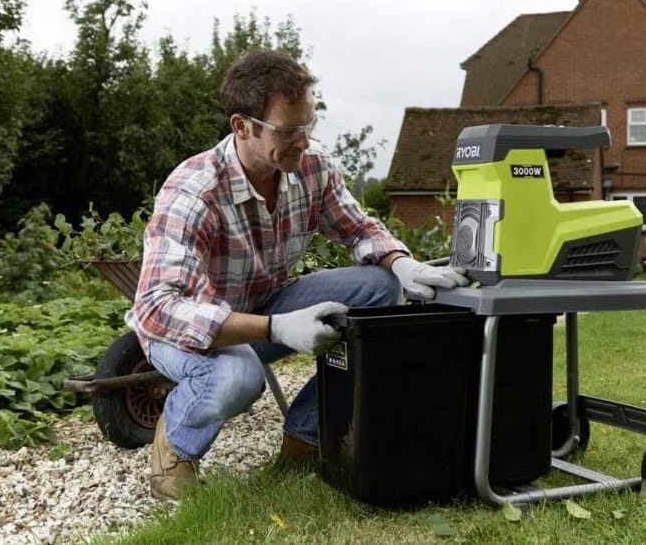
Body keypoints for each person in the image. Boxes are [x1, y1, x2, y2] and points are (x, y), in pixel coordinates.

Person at [125, 49, 469, 501]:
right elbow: (156, 309)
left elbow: (359, 228)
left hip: (263, 305)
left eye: (307, 126)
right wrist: (278, 328)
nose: (303, 141)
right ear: (241, 126)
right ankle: (175, 451)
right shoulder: (195, 191)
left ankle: (305, 438)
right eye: (289, 131)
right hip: (187, 331)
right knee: (237, 377)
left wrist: (402, 263)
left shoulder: (312, 168)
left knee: (377, 288)